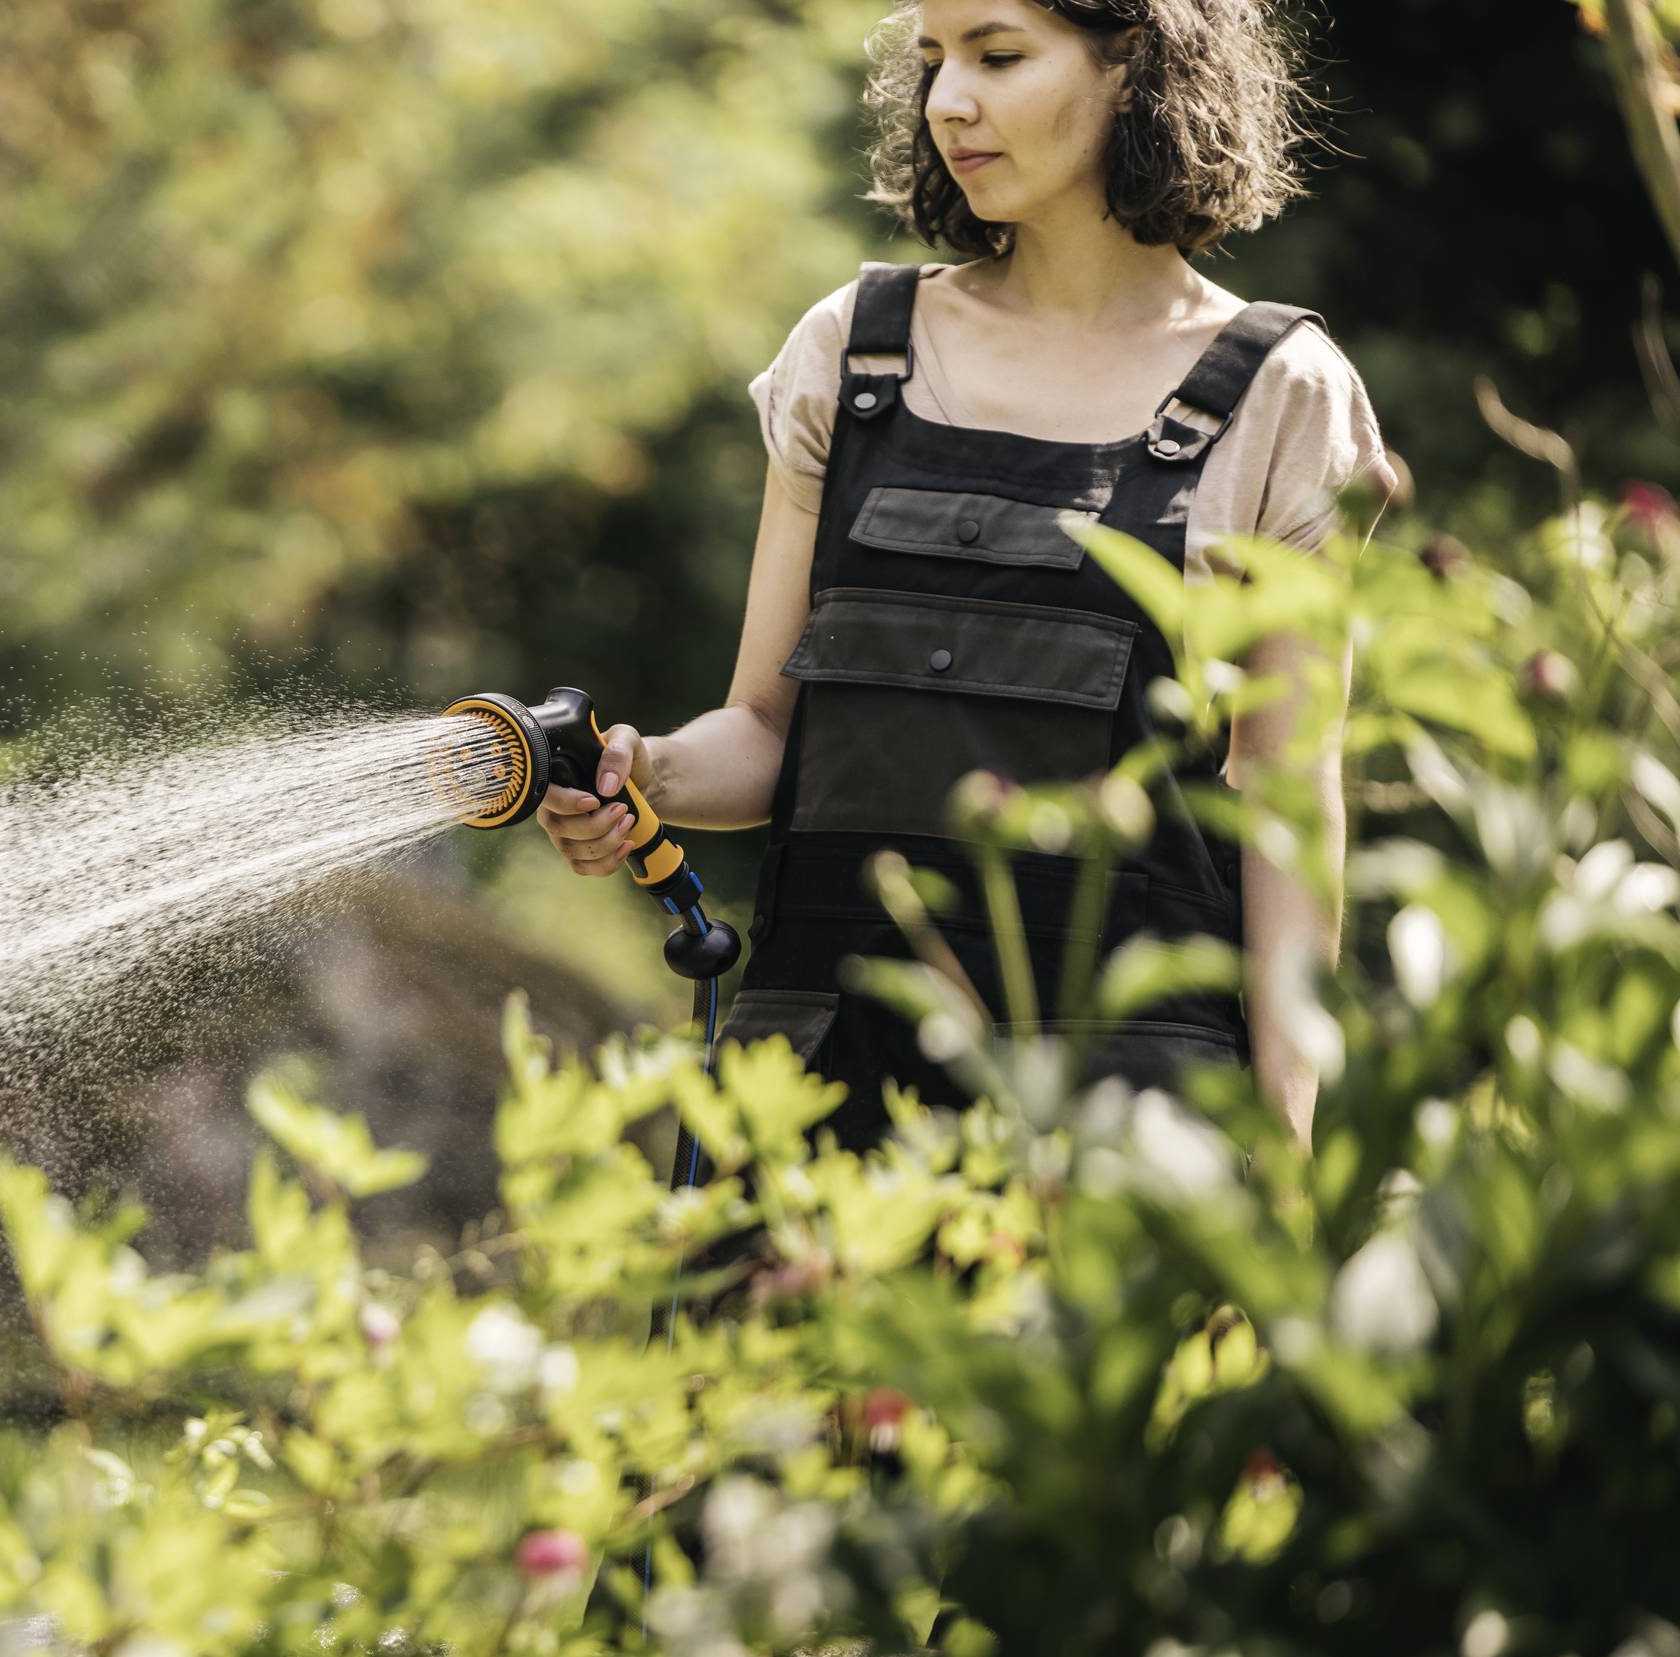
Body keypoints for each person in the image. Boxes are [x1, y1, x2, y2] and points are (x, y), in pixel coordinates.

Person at [541, 0, 1396, 1154]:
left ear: (1133, 63)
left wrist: (1296, 1144)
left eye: (997, 57)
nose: (947, 101)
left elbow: (1289, 803)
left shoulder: (1283, 393)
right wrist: (652, 772)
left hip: (1130, 1134)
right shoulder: (852, 353)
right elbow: (769, 729)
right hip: (816, 1103)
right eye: (933, 60)